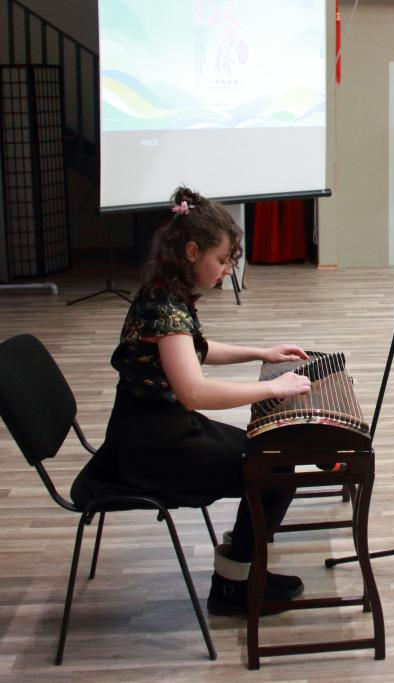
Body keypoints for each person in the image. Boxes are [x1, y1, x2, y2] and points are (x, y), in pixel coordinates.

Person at [70, 187, 314, 617]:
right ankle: (234, 586)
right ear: (191, 251)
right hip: (150, 448)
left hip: (151, 429)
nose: (226, 270)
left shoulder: (164, 293)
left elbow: (194, 349)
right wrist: (273, 388)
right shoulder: (164, 308)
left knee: (271, 459)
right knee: (273, 469)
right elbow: (195, 392)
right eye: (222, 260)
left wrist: (260, 353)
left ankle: (242, 567)